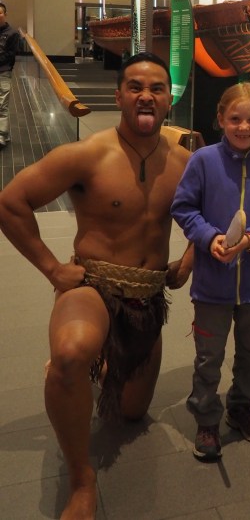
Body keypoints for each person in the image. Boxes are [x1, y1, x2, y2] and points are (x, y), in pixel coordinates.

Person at [0, 52, 191, 520]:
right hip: (93, 286)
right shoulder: (87, 155)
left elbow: (223, 212)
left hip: (148, 299)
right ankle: (81, 479)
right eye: (135, 87)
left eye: (157, 88)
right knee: (70, 354)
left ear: (169, 100)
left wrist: (189, 259)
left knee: (130, 413)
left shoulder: (186, 163)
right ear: (119, 95)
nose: (146, 96)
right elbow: (10, 202)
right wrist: (52, 269)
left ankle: (104, 362)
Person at [170, 83, 250, 462]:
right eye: (235, 118)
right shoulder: (203, 161)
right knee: (209, 356)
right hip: (212, 286)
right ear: (221, 119)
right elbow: (184, 207)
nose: (243, 127)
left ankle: (241, 406)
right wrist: (209, 238)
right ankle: (206, 418)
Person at [0, 1, 20, 147]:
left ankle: (1, 135)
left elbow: (10, 55)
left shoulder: (12, 34)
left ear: (5, 14)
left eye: (0, 13)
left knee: (2, 105)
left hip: (3, 72)